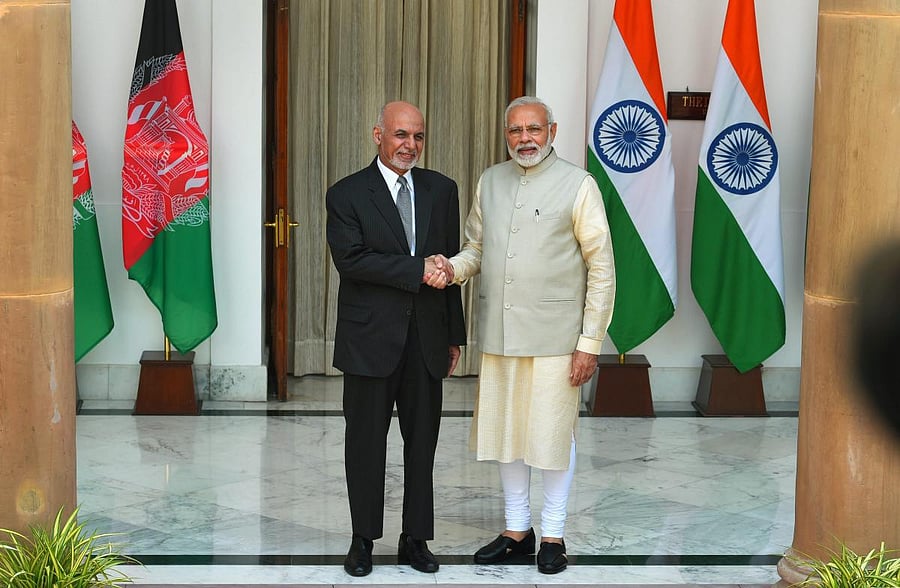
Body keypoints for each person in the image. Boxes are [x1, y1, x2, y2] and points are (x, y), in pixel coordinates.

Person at [429, 96, 615, 574]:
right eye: (515, 130)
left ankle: (553, 534)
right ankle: (517, 531)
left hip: (558, 339)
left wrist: (590, 342)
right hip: (500, 333)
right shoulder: (490, 181)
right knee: (506, 434)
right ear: (506, 134)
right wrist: (452, 269)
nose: (525, 138)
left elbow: (602, 268)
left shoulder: (579, 184)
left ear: (552, 131)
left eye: (534, 129)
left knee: (552, 437)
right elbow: (477, 248)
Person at [325, 101, 466, 577]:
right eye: (401, 135)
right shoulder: (346, 193)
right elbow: (352, 260)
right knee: (365, 445)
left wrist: (453, 334)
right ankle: (362, 539)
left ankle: (416, 539)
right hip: (368, 341)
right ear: (378, 135)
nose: (410, 145)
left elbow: (449, 264)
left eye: (418, 136)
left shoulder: (442, 190)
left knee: (422, 445)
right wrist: (417, 269)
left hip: (427, 339)